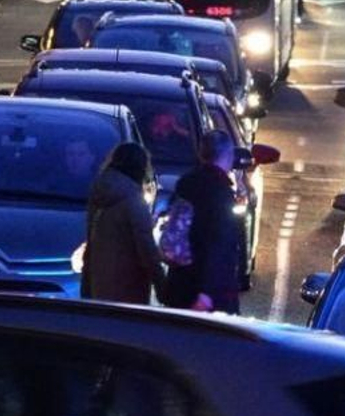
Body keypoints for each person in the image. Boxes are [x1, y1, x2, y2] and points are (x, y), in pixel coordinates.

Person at [160, 129, 243, 314]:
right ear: (227, 155)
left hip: (180, 281)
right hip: (209, 293)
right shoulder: (220, 192)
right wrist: (206, 291)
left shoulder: (185, 184)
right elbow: (218, 244)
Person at [81, 142, 160, 305]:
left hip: (98, 286)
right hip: (129, 292)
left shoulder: (99, 194)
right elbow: (147, 250)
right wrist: (163, 286)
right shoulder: (134, 202)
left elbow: (91, 242)